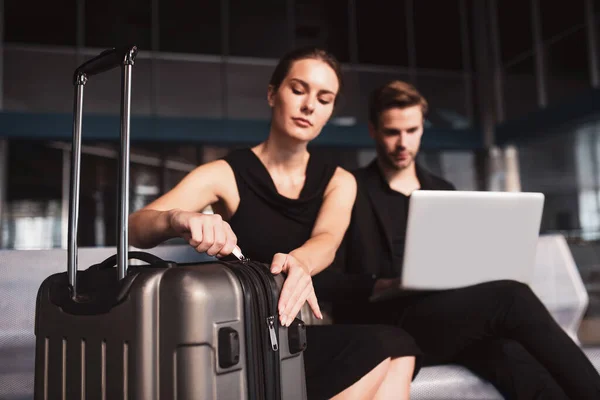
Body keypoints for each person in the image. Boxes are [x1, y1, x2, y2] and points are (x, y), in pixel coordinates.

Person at [128, 49, 421, 400]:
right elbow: (136, 227)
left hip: (308, 331)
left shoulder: (340, 181)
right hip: (250, 334)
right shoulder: (225, 174)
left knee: (399, 347)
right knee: (390, 344)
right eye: (299, 90)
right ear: (272, 94)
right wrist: (179, 218)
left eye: (324, 98)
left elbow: (327, 238)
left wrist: (301, 262)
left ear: (329, 111)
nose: (310, 105)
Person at [320, 79, 600, 399]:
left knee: (510, 356)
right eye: (392, 132)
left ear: (422, 128)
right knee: (512, 297)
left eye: (411, 131)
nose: (402, 143)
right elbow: (326, 282)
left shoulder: (442, 190)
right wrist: (383, 285)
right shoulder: (349, 188)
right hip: (383, 324)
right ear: (373, 131)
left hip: (446, 319)